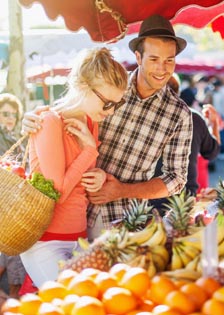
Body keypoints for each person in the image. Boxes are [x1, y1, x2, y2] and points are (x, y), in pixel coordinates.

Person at [23, 15, 193, 241]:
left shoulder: (179, 114)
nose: (162, 69)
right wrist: (35, 118)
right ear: (138, 57)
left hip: (126, 221)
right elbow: (66, 113)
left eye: (169, 60)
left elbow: (176, 179)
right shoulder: (110, 86)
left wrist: (121, 190)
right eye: (154, 59)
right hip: (75, 212)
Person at [19, 48, 128, 287]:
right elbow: (57, 192)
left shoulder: (91, 120)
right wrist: (90, 150)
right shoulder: (49, 121)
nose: (110, 112)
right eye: (107, 103)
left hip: (79, 237)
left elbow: (79, 176)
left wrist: (100, 176)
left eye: (116, 106)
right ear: (83, 87)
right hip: (46, 243)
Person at [0, 94, 27, 298]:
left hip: (14, 205)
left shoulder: (15, 139)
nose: (10, 118)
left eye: (14, 114)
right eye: (5, 114)